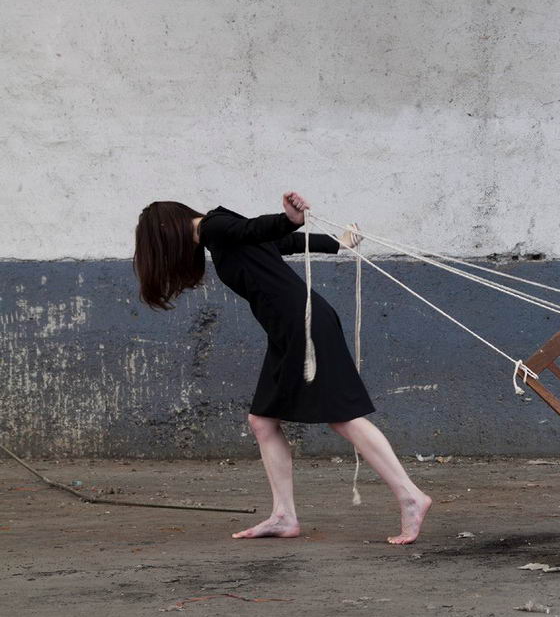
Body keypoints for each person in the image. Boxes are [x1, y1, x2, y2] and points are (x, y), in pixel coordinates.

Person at [133, 192, 431, 543]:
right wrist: (336, 243)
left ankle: (410, 496)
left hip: (304, 325)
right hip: (287, 330)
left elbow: (259, 228)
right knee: (262, 421)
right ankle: (284, 516)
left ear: (165, 232)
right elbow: (280, 241)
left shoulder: (214, 226)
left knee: (343, 417)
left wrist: (288, 219)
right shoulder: (221, 237)